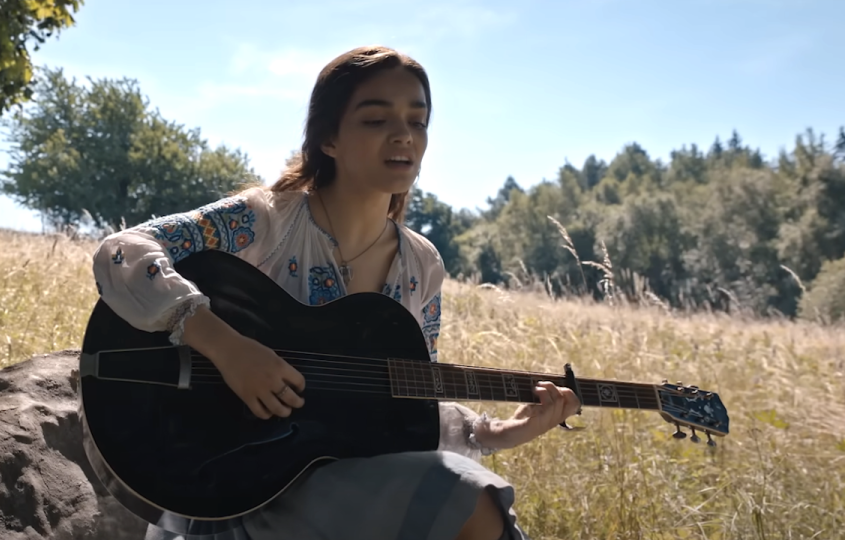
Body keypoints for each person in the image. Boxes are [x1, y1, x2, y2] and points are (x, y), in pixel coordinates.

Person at [92, 45, 581, 540]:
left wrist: (503, 432)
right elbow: (123, 250)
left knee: (457, 493)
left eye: (418, 121)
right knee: (463, 492)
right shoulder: (266, 220)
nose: (403, 136)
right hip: (230, 491)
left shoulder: (422, 264)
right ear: (328, 137)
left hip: (345, 490)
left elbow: (409, 399)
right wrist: (227, 347)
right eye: (375, 120)